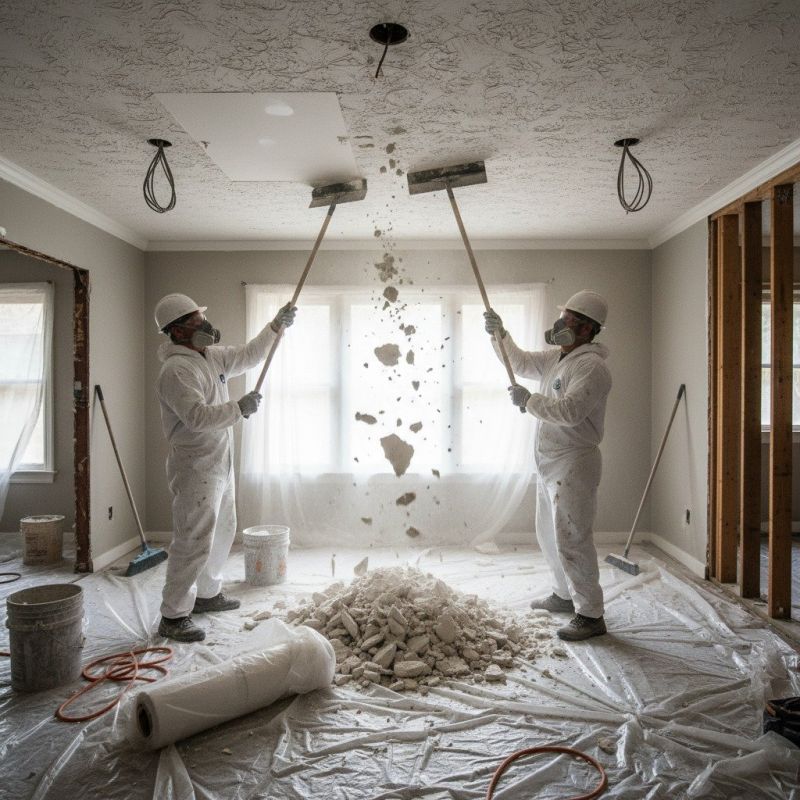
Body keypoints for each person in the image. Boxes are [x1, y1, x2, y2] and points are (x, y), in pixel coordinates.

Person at [153, 293, 297, 642]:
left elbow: (249, 354)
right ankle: (173, 615)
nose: (204, 324)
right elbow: (196, 417)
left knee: (223, 528)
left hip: (218, 457)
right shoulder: (176, 371)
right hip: (195, 464)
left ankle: (207, 594)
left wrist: (275, 326)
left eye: (201, 316)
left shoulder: (211, 356)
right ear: (176, 331)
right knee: (193, 537)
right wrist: (239, 407)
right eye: (195, 320)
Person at [484, 291, 611, 641]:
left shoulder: (592, 367)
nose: (560, 324)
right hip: (549, 461)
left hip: (574, 462)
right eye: (563, 315)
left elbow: (570, 412)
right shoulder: (559, 358)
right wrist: (501, 335)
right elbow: (522, 363)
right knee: (548, 533)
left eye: (569, 319)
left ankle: (590, 614)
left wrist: (530, 401)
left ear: (587, 329)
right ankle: (564, 594)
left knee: (572, 536)